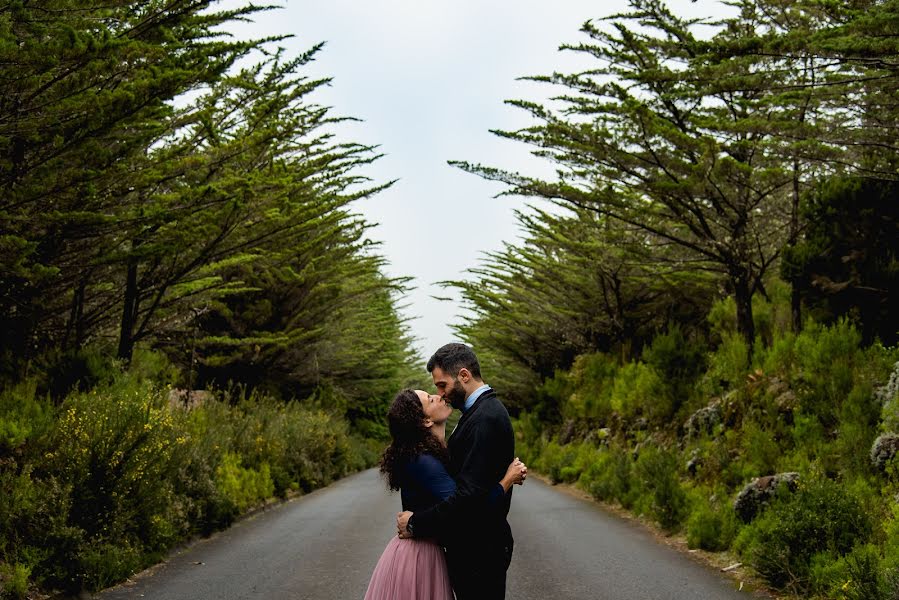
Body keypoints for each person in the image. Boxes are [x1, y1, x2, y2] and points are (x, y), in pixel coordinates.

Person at [364, 388, 526, 600]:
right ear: (425, 421)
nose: (439, 396)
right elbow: (466, 510)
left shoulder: (433, 453)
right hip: (419, 558)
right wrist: (506, 481)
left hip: (426, 552)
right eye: (431, 399)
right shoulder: (424, 461)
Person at [396, 343, 518, 600]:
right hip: (474, 550)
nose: (441, 393)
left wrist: (416, 523)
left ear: (464, 375)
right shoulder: (474, 413)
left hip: (481, 550)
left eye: (442, 385)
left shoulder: (485, 417)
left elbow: (468, 498)